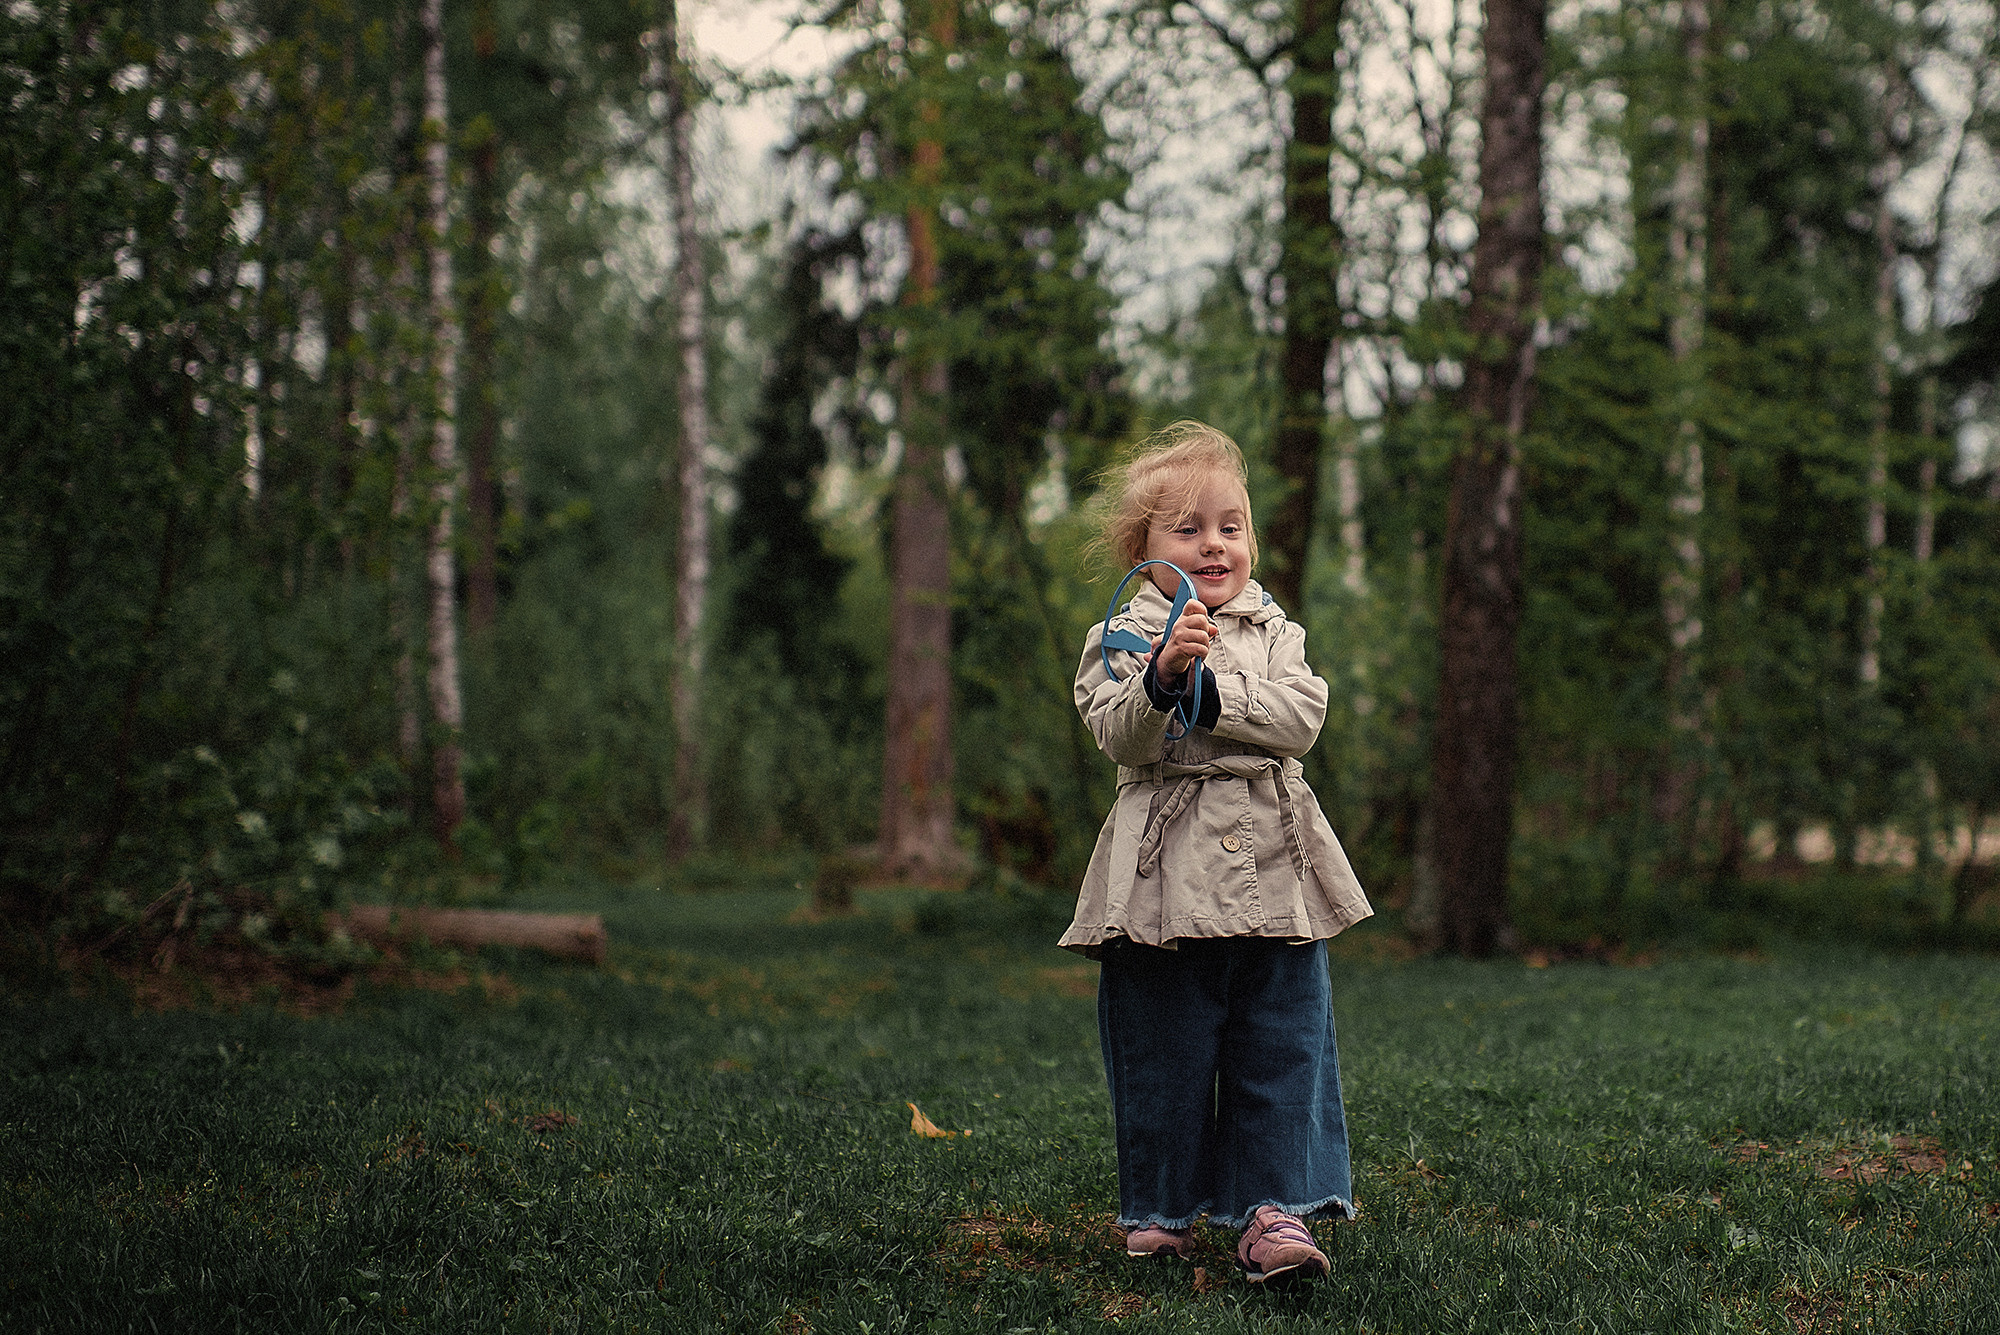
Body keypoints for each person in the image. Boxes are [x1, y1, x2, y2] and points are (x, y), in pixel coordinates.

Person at [1062, 420, 1374, 1285]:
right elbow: (1119, 734)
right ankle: (1160, 1210)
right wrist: (1162, 678)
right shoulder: (1120, 637)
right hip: (1162, 879)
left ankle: (1272, 1210)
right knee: (1165, 1042)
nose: (1213, 544)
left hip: (1279, 869)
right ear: (1144, 547)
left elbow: (1299, 716)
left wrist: (1208, 688)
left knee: (1280, 1040)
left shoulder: (1276, 632)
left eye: (1230, 526)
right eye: (1188, 528)